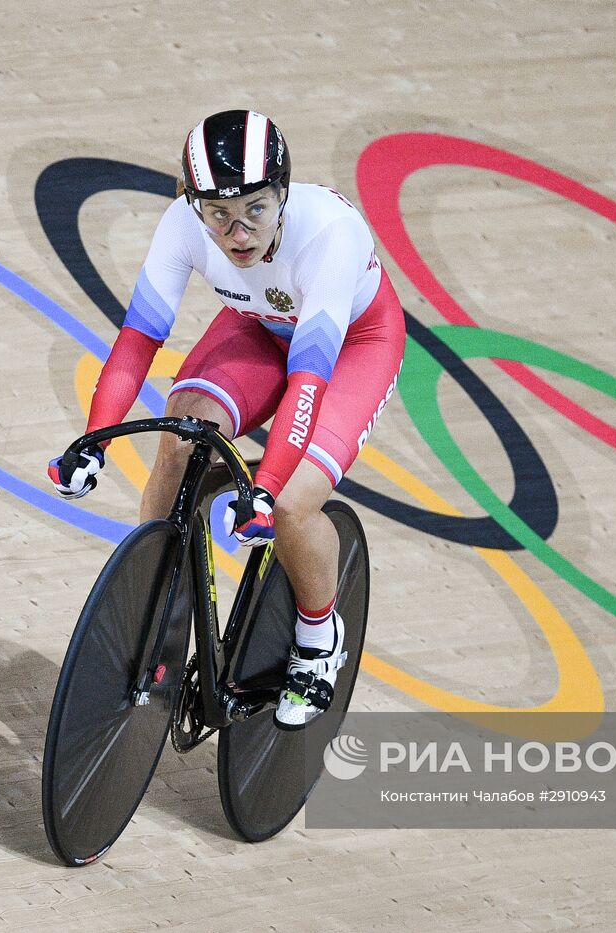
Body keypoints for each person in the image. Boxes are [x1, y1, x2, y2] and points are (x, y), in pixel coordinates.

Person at [49, 109, 404, 729]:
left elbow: (308, 380)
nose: (239, 234)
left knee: (293, 501)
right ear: (193, 204)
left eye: (257, 211)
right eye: (220, 215)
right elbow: (137, 340)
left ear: (283, 196)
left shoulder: (328, 237)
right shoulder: (182, 225)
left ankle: (319, 639)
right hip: (259, 326)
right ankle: (153, 602)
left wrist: (263, 492)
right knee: (182, 430)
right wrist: (92, 440)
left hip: (352, 348)